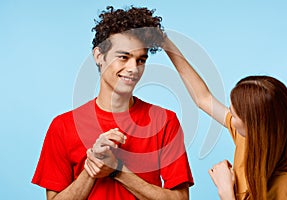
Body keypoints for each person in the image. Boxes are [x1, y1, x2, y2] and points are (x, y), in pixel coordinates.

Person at [32, 6, 194, 200]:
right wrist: (93, 167)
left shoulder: (165, 121)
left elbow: (181, 199)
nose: (133, 68)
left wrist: (118, 170)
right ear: (99, 56)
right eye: (123, 57)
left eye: (141, 60)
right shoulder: (62, 127)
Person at [162, 37, 287, 199]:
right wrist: (165, 43)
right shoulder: (249, 138)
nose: (229, 119)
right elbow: (203, 99)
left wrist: (226, 191)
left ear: (254, 125)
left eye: (233, 115)